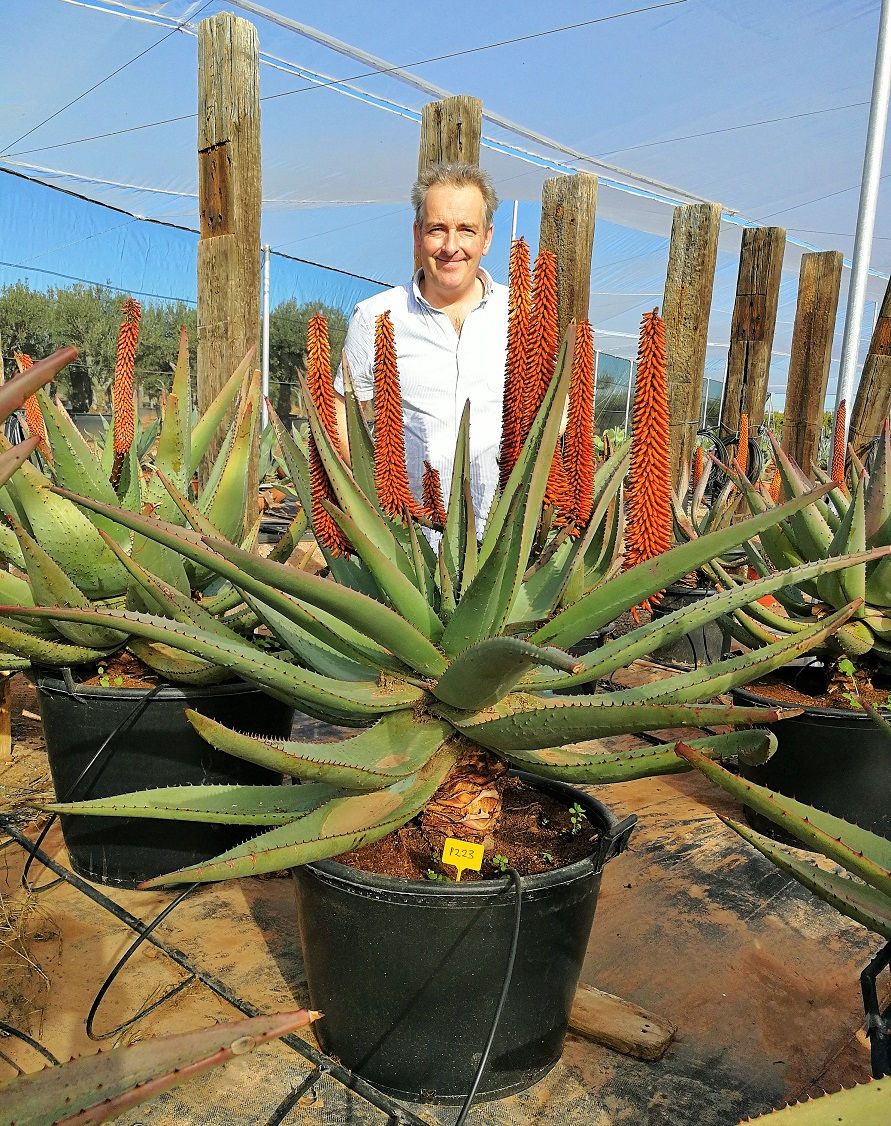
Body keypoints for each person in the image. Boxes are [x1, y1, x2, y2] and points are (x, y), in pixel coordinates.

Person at [333, 162, 509, 530]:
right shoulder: (376, 316)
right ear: (417, 235)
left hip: (506, 536)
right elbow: (339, 411)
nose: (451, 246)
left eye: (466, 230)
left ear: (487, 238)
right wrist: (381, 488)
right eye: (436, 229)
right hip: (410, 537)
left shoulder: (522, 315)